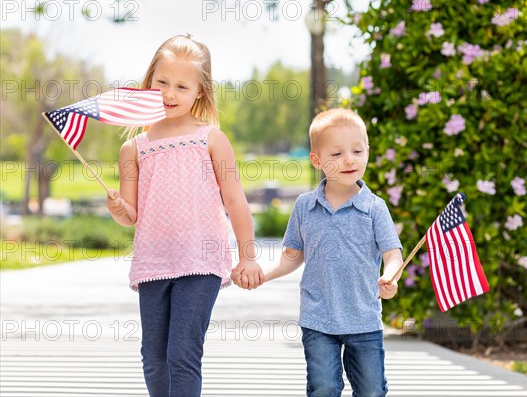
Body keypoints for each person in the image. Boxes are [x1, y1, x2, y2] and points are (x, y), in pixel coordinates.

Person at [106, 34, 264, 397]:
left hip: (201, 261)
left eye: (181, 86)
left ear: (200, 93)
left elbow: (236, 202)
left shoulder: (211, 139)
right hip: (153, 262)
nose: (169, 93)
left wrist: (248, 256)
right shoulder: (134, 148)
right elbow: (130, 215)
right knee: (153, 356)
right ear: (149, 82)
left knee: (182, 352)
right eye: (162, 82)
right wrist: (118, 208)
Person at [233, 108, 405, 397]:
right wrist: (267, 274)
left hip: (363, 318)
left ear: (367, 152)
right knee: (323, 387)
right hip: (318, 318)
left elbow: (393, 254)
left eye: (357, 151)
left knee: (372, 390)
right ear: (316, 160)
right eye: (336, 154)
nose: (349, 159)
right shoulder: (305, 206)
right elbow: (293, 255)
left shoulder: (375, 208)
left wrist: (389, 278)